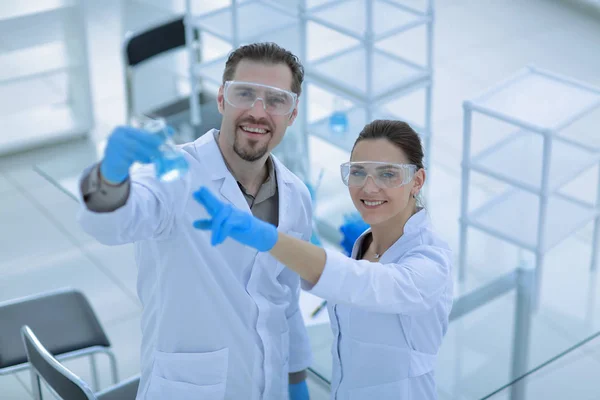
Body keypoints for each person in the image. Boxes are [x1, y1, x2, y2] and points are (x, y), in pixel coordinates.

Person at [77, 42, 314, 400]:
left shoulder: (296, 196)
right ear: (221, 99)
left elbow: (286, 298)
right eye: (244, 94)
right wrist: (110, 179)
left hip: (270, 387)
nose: (257, 111)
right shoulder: (174, 177)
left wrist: (296, 379)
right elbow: (110, 225)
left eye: (276, 100)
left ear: (292, 115)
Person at [193, 119, 454, 399]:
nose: (369, 187)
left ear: (417, 181)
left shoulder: (431, 261)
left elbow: (368, 284)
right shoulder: (365, 243)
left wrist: (269, 238)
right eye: (358, 172)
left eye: (388, 174)